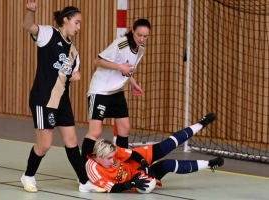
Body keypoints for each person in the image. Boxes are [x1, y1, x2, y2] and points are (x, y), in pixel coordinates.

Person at [21, 2, 105, 193]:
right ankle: (28, 176)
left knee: (72, 142)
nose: (79, 27)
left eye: (80, 23)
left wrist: (77, 75)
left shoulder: (74, 51)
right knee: (44, 145)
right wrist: (30, 11)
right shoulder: (48, 34)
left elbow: (73, 72)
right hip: (43, 99)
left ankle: (85, 182)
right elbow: (28, 26)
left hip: (63, 102)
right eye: (77, 22)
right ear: (65, 20)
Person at [85, 113, 224, 193]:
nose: (112, 160)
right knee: (168, 165)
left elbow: (132, 154)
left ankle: (200, 124)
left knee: (166, 145)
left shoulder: (110, 149)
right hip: (135, 177)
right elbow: (113, 188)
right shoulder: (93, 169)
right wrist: (131, 183)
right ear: (98, 157)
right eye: (109, 159)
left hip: (134, 163)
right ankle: (209, 164)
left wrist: (144, 163)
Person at [81, 18, 151, 164]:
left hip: (117, 91)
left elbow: (127, 69)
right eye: (139, 35)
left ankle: (121, 165)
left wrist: (133, 83)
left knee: (125, 128)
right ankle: (83, 169)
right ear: (133, 31)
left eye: (145, 36)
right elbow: (97, 61)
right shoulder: (120, 44)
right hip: (100, 90)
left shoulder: (141, 49)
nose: (141, 39)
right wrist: (120, 67)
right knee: (95, 131)